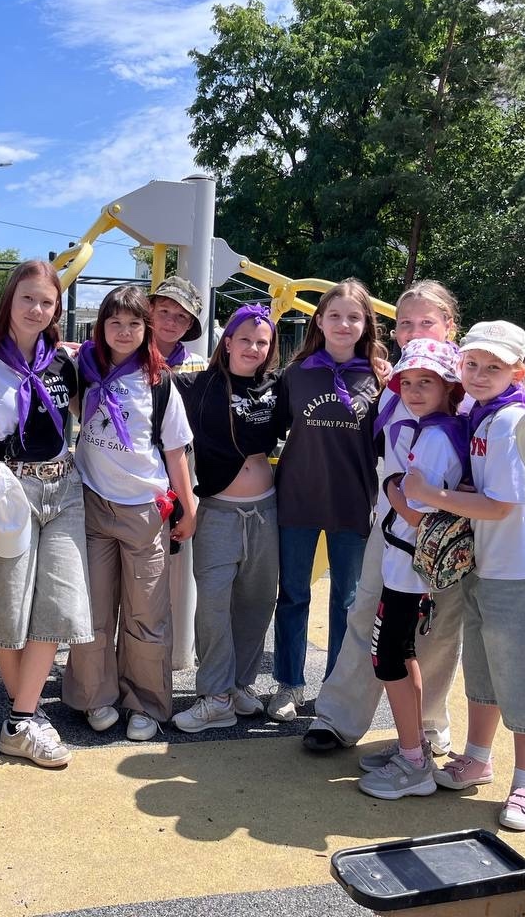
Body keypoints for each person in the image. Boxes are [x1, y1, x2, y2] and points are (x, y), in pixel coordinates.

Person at [403, 319, 525, 832]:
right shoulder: (481, 411)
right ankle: (477, 756)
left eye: (492, 367)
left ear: (516, 371)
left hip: (520, 564)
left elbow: (500, 505)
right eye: (471, 363)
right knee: (484, 665)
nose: (477, 374)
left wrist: (430, 496)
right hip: (488, 561)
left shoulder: (508, 418)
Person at [302, 281, 466, 752]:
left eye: (427, 322)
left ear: (449, 326)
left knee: (436, 631)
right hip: (392, 523)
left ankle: (426, 726)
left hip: (445, 531)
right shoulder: (398, 383)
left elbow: (509, 407)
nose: (415, 331)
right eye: (405, 324)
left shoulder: (464, 380)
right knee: (365, 613)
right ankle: (338, 717)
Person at [62, 285, 197, 741]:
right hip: (92, 502)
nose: (124, 331)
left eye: (134, 324)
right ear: (100, 326)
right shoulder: (85, 368)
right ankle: (94, 695)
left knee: (146, 613)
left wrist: (188, 508)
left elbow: (176, 451)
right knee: (94, 609)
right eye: (115, 322)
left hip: (143, 511)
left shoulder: (158, 381)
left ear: (146, 328)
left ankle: (145, 702)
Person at [0, 260, 89, 768]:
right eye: (27, 299)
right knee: (10, 605)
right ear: (9, 301)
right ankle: (28, 717)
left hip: (63, 488)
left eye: (47, 302)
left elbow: (93, 404)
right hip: (8, 488)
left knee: (56, 605)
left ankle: (20, 719)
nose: (36, 309)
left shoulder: (62, 361)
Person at [270, 279, 387, 722]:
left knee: (347, 600)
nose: (343, 324)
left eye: (353, 317)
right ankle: (288, 683)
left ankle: (336, 689)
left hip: (352, 501)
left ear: (365, 324)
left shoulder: (380, 379)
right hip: (298, 498)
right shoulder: (297, 374)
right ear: (319, 321)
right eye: (334, 315)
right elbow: (269, 425)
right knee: (293, 595)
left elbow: (393, 439)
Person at [357, 339, 468, 799]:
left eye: (427, 381)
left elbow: (421, 514)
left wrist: (391, 484)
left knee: (388, 658)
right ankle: (412, 745)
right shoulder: (436, 429)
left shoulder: (437, 436)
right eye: (408, 382)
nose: (415, 390)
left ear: (449, 388)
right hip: (406, 562)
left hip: (410, 564)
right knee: (401, 653)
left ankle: (414, 764)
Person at [170, 304, 281, 732]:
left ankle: (238, 685)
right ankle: (215, 695)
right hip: (218, 511)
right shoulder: (198, 384)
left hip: (266, 511)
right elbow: (150, 378)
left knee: (257, 603)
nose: (253, 348)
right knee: (213, 606)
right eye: (245, 339)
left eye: (262, 342)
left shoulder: (277, 386)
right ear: (228, 342)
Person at [149, 276, 209, 372]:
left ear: (190, 323)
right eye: (164, 311)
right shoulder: (128, 358)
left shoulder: (200, 368)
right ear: (151, 311)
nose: (171, 321)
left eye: (181, 316)